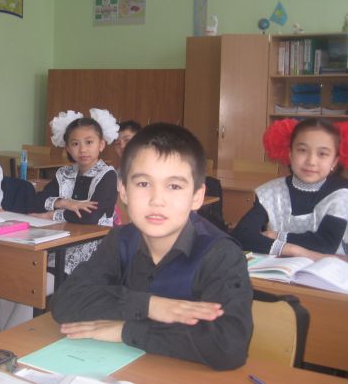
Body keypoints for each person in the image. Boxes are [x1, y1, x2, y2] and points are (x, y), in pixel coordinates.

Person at [50, 123, 252, 370]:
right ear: (123, 190)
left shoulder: (221, 254)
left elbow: (229, 346)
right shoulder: (120, 240)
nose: (157, 200)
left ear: (197, 196)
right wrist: (149, 305)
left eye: (174, 186)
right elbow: (66, 302)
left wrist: (127, 330)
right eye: (143, 184)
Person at [231, 118, 348, 260]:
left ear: (334, 161)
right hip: (279, 270)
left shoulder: (341, 192)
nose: (311, 161)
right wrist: (293, 250)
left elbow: (326, 244)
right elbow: (241, 235)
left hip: (326, 270)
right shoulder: (271, 191)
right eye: (302, 150)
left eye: (322, 154)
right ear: (290, 154)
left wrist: (278, 236)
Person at [31, 108, 118, 274]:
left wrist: (51, 215)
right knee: (28, 267)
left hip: (94, 247)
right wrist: (64, 203)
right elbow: (37, 202)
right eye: (75, 144)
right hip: (59, 239)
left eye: (89, 142)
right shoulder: (64, 173)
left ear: (101, 145)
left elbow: (90, 216)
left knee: (46, 274)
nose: (83, 149)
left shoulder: (108, 175)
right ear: (68, 149)